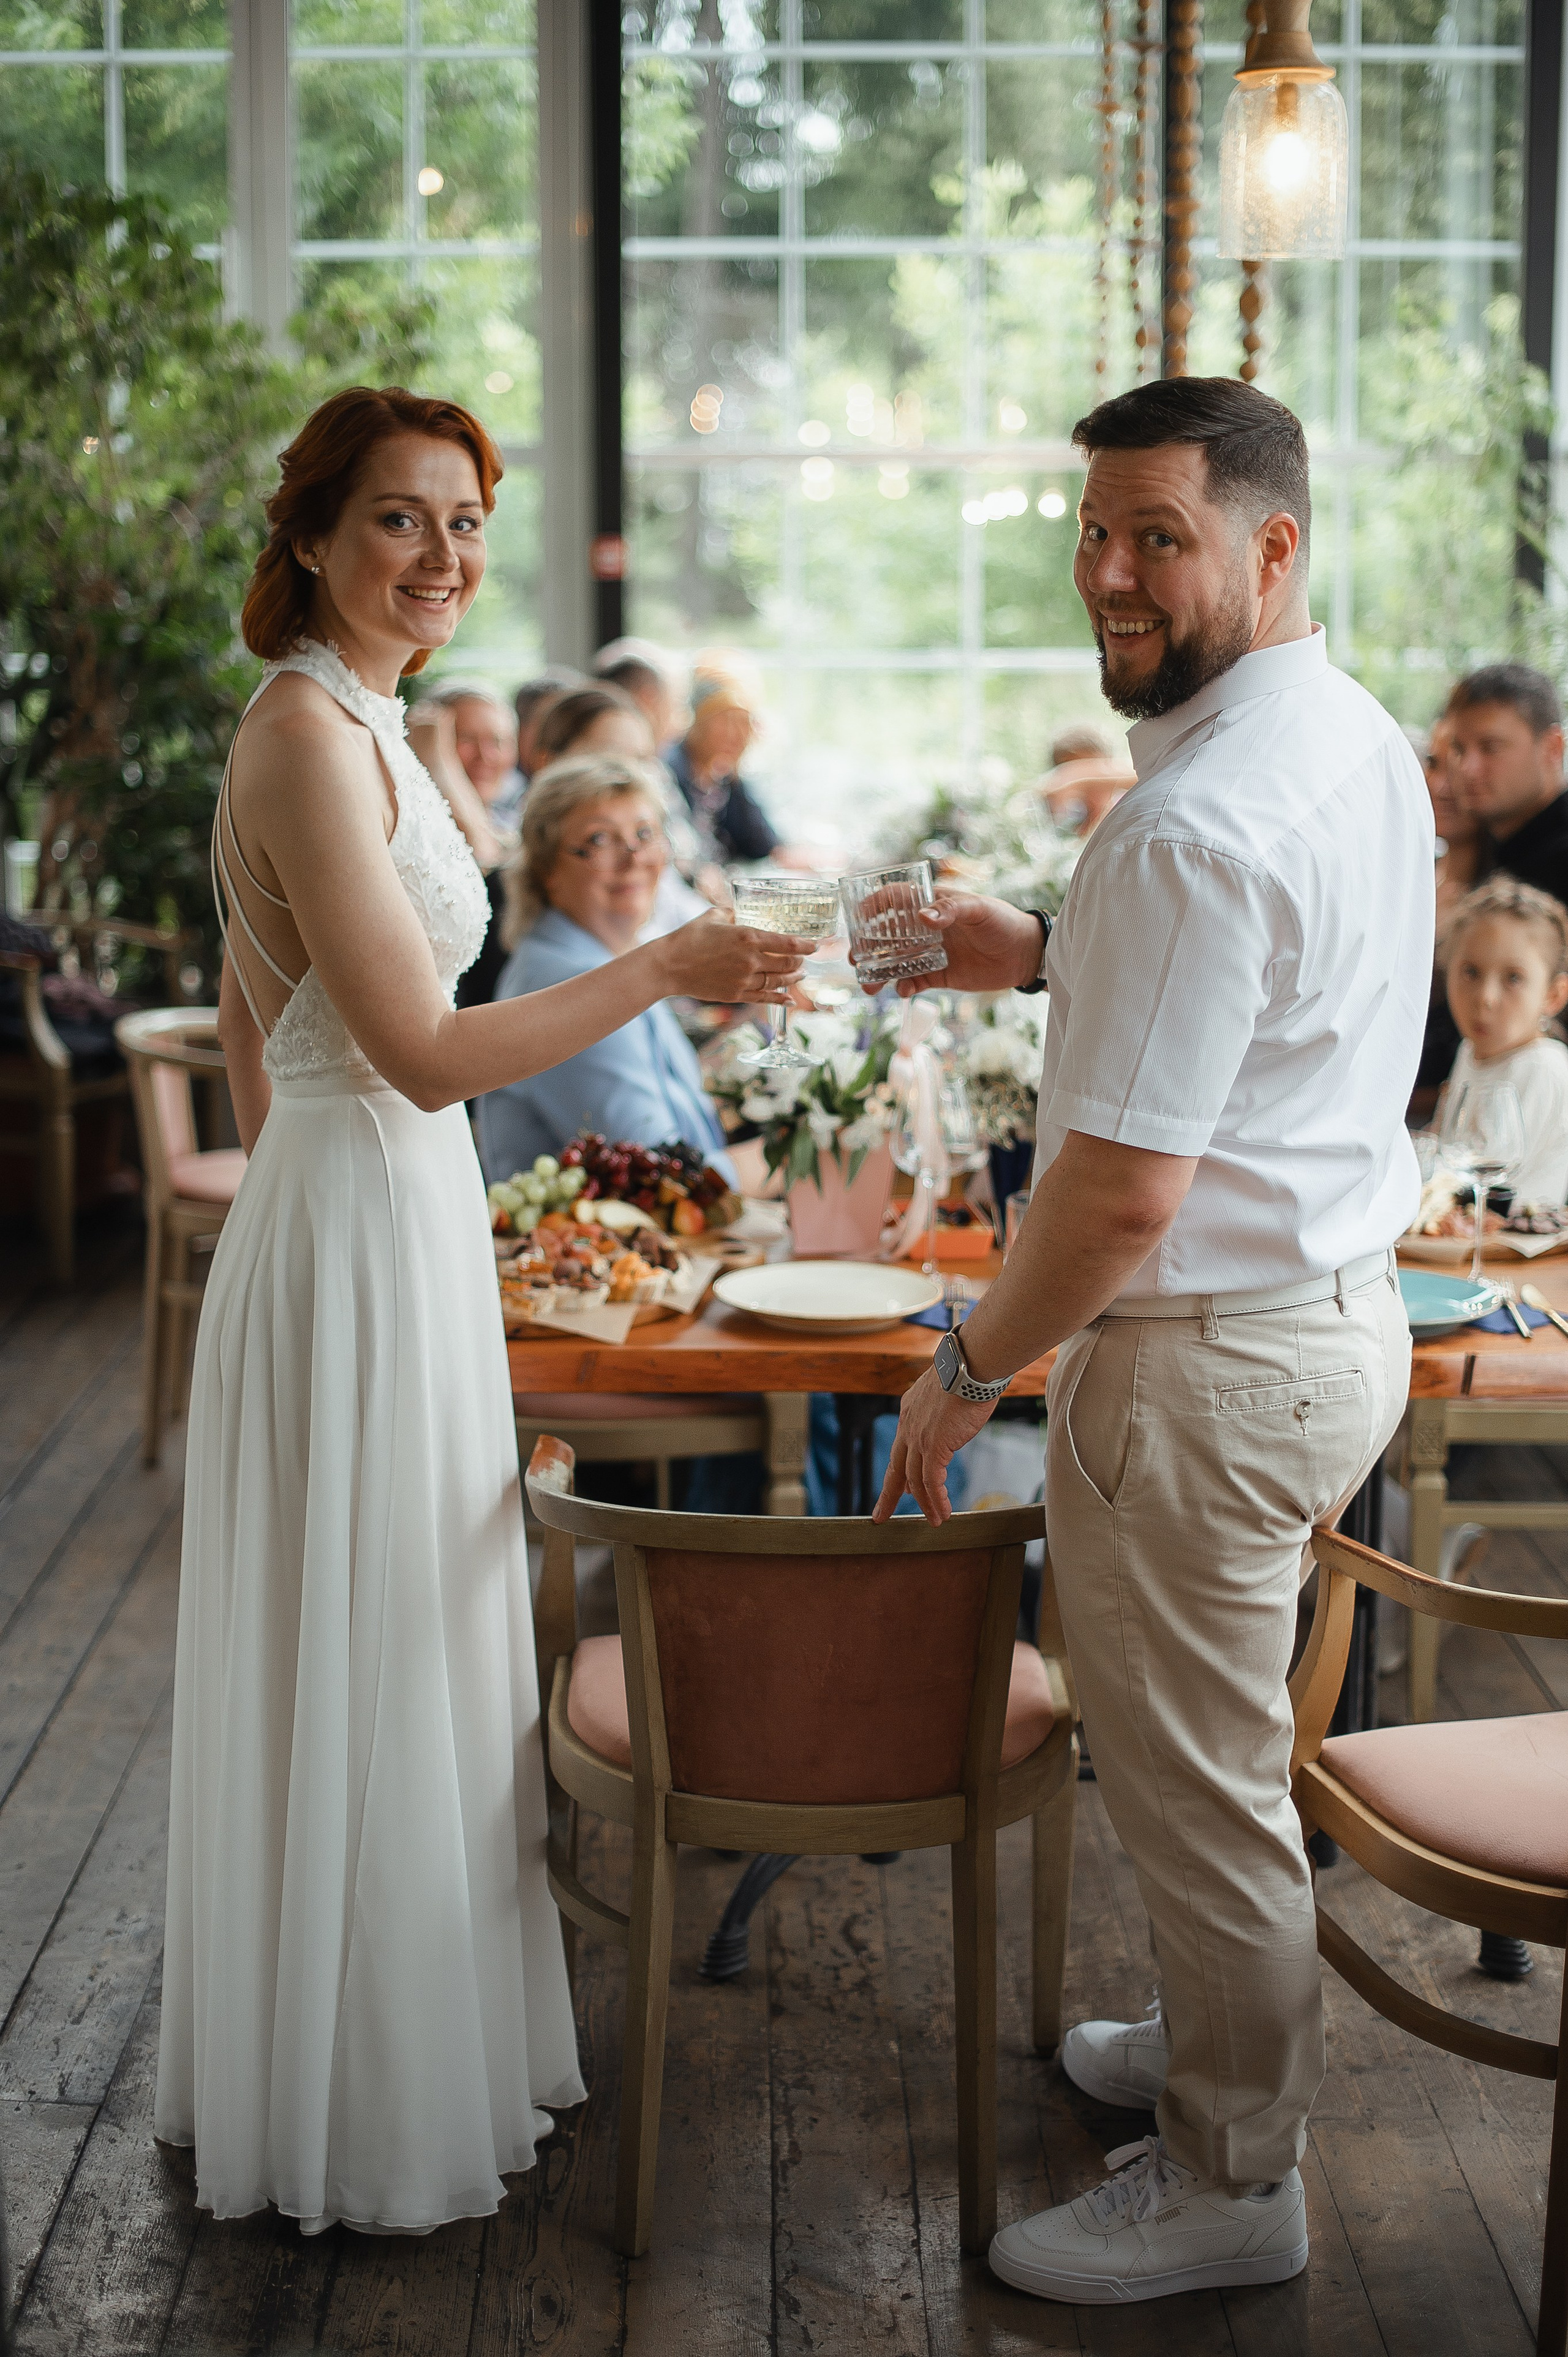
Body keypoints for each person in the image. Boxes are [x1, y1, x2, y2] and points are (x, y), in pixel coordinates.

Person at [154, 384, 809, 2236]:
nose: (440, 554)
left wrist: (317, 1180)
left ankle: (386, 2042)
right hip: (368, 1205)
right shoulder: (302, 729)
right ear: (308, 538)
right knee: (360, 1626)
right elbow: (429, 1051)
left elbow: (243, 996)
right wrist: (666, 964)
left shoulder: (376, 724)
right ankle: (350, 2103)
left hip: (384, 1212)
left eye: (463, 520)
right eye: (396, 519)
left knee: (416, 1622)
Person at [864, 376, 1431, 2307]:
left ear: (1273, 548)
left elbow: (1114, 1202)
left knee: (1194, 1785)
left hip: (1203, 1363)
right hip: (1324, 1323)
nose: (1107, 573)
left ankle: (1227, 2176)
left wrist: (965, 1362)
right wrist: (1034, 944)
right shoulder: (1338, 737)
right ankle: (1209, 2051)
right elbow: (1262, 1007)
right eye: (1091, 531)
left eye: (1156, 537)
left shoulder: (1198, 817)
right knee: (1215, 1764)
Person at [477, 755, 733, 1181]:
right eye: (600, 840)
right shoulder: (569, 982)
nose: (634, 857)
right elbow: (663, 1178)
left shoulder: (603, 957)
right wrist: (798, 1158)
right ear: (547, 871)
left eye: (645, 834)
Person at [1434, 875, 1568, 1216]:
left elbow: (1485, 1181)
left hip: (1517, 1252)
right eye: (1471, 972)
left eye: (1513, 978)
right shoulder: (1470, 1050)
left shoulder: (1543, 1065)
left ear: (1553, 995)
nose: (1486, 998)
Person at [1449, 663, 1567, 902]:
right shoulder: (1485, 852)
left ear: (1552, 748)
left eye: (1490, 747)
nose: (1468, 769)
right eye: (1460, 749)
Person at [667, 677, 780, 865]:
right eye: (724, 720)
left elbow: (762, 846)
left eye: (744, 723)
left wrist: (736, 779)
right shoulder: (670, 772)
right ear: (697, 722)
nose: (735, 734)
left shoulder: (724, 777)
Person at [1036, 720, 1135, 837]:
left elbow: (1149, 775)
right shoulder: (1052, 827)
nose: (1087, 795)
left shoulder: (1127, 816)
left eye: (1097, 782)